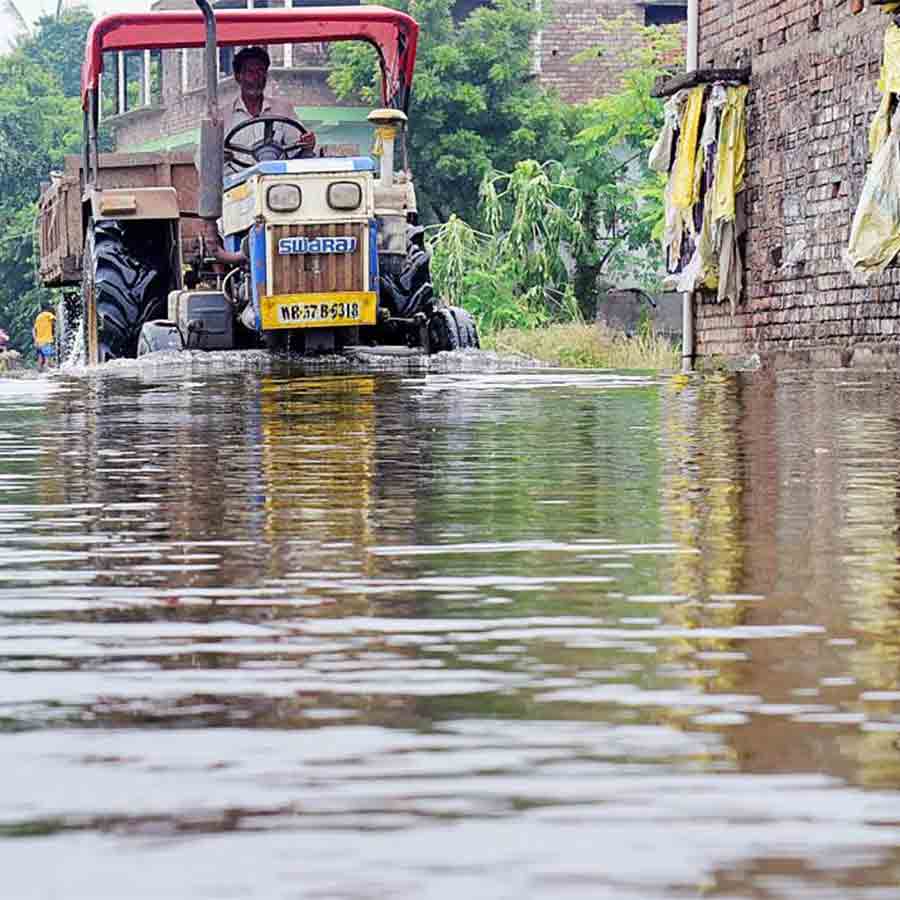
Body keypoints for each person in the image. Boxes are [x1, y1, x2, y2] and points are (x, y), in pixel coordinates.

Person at [224, 46, 316, 173]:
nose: (256, 77)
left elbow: (299, 148)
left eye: (261, 71)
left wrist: (307, 145)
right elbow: (203, 162)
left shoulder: (283, 110)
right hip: (236, 185)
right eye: (250, 72)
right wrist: (219, 158)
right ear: (238, 77)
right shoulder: (221, 117)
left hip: (276, 184)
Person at [32, 306, 56, 371]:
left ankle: (39, 373)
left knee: (40, 359)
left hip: (38, 341)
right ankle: (47, 373)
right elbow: (55, 320)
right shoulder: (48, 314)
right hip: (46, 340)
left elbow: (34, 330)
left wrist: (35, 340)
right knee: (48, 359)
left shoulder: (38, 317)